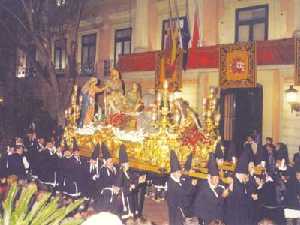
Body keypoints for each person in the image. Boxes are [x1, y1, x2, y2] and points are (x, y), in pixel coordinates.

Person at [193, 153, 227, 225]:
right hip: (205, 214)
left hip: (217, 214)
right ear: (209, 178)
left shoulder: (221, 185)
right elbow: (213, 202)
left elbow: (222, 204)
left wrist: (220, 219)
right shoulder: (204, 187)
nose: (216, 181)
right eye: (214, 179)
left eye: (217, 178)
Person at [224, 149, 252, 225]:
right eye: (245, 175)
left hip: (240, 214)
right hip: (234, 215)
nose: (246, 177)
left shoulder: (240, 182)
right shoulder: (235, 183)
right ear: (240, 174)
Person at [94, 143, 121, 214]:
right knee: (107, 200)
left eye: (112, 161)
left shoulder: (115, 169)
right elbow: (104, 183)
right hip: (105, 190)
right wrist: (112, 186)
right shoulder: (103, 170)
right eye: (110, 162)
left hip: (114, 190)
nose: (112, 163)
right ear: (105, 162)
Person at [166, 150, 184, 225]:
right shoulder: (171, 184)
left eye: (180, 172)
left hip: (178, 206)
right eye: (178, 172)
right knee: (174, 220)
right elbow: (171, 200)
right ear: (173, 173)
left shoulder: (177, 179)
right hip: (175, 207)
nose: (180, 174)